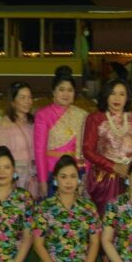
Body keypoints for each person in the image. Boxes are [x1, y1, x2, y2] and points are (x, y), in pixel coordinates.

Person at [32, 155, 102, 262]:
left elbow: (95, 242)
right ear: (55, 179)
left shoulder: (88, 207)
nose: (68, 182)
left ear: (78, 180)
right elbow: (38, 244)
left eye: (72, 176)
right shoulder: (45, 207)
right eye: (63, 177)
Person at [83, 79, 132, 215]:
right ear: (106, 95)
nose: (117, 98)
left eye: (122, 94)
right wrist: (113, 166)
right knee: (107, 216)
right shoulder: (95, 118)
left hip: (131, 177)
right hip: (104, 178)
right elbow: (87, 150)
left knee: (129, 217)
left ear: (127, 97)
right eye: (113, 93)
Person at [33, 67, 87, 199]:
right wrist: (42, 180)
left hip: (75, 172)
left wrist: (85, 174)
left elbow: (85, 149)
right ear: (53, 92)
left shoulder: (81, 115)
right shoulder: (43, 115)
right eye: (61, 89)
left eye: (70, 90)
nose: (66, 94)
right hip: (52, 172)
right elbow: (39, 150)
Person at [0, 81, 38, 196]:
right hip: (13, 177)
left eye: (29, 97)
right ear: (13, 101)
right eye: (23, 97)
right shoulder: (5, 124)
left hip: (33, 176)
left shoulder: (34, 122)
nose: (27, 101)